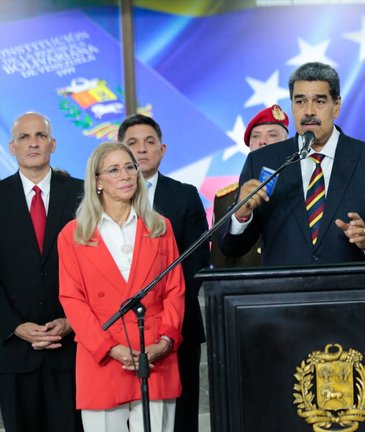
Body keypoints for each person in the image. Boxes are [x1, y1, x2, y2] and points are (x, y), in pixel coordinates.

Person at [218, 61, 365, 265]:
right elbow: (232, 248)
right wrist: (241, 215)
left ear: (336, 106)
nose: (308, 111)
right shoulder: (263, 161)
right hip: (285, 294)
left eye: (319, 101)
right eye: (300, 101)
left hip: (352, 293)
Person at [58, 141, 185, 432]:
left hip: (154, 354)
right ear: (97, 181)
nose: (126, 175)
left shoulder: (160, 227)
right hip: (101, 355)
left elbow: (175, 290)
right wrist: (109, 348)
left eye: (130, 167)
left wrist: (164, 342)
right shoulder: (73, 235)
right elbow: (72, 299)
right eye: (114, 170)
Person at [117, 114, 209, 432]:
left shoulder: (184, 195)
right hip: (120, 332)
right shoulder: (100, 201)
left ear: (163, 149)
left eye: (150, 142)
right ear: (119, 150)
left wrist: (163, 309)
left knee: (180, 419)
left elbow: (196, 261)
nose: (141, 149)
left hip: (177, 325)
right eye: (132, 143)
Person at [0, 112, 83, 432]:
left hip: (72, 347)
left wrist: (72, 320)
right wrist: (15, 326)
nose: (32, 143)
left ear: (53, 144)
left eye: (40, 136)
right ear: (12, 147)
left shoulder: (83, 193)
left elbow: (97, 266)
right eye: (24, 137)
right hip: (13, 350)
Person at [209, 104, 289, 267]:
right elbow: (221, 261)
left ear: (288, 144)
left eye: (272, 135)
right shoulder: (227, 198)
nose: (263, 142)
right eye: (256, 136)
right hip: (247, 288)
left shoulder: (302, 188)